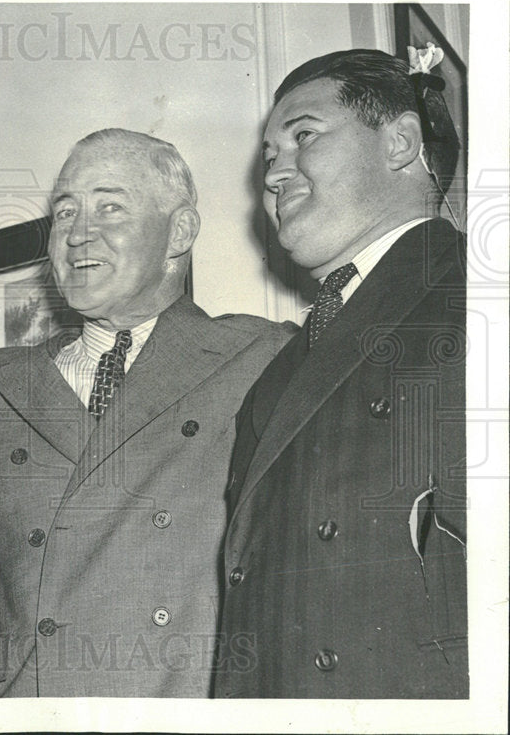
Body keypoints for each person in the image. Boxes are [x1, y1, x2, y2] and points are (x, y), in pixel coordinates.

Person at [0, 129, 295, 696]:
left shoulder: (259, 356)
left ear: (179, 231)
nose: (78, 233)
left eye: (109, 207)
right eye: (65, 212)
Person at [214, 48, 467, 698]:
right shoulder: (272, 381)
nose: (275, 175)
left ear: (401, 143)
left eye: (303, 136)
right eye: (270, 157)